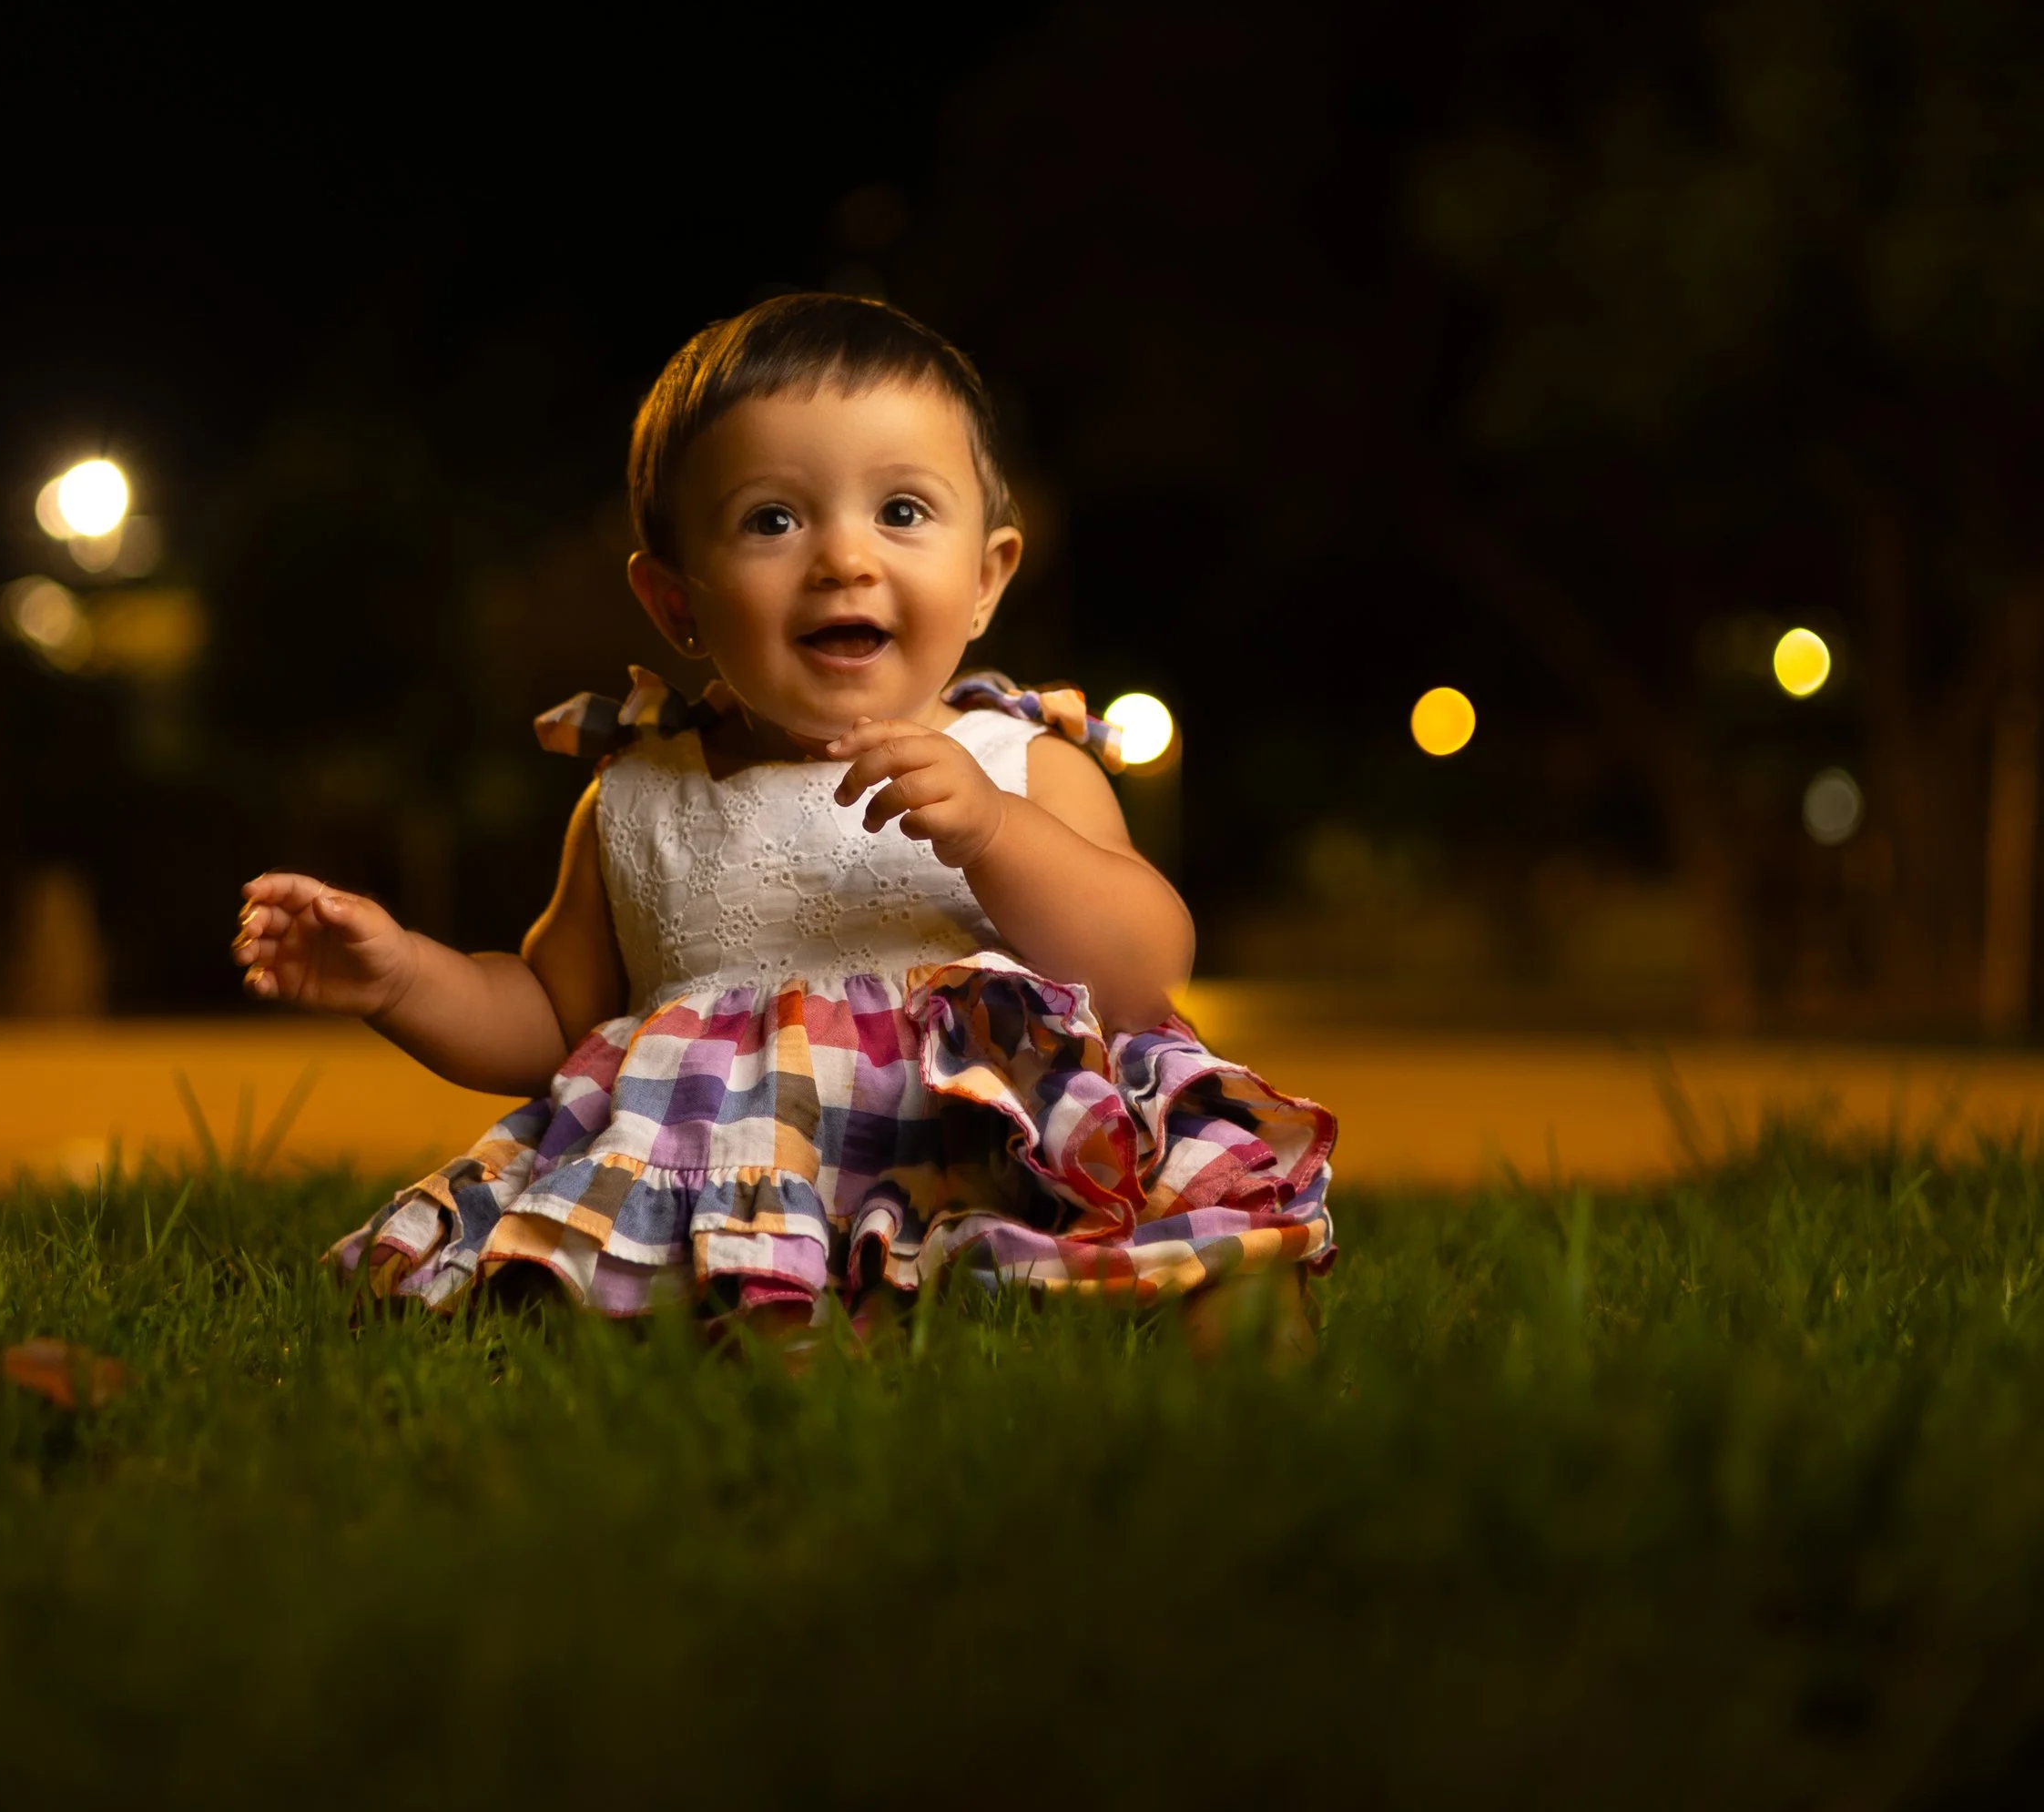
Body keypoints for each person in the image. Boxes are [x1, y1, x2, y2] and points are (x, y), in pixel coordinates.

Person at [234, 296, 1335, 1331]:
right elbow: (546, 1020)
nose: (844, 559)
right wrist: (404, 976)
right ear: (677, 603)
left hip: (989, 1163)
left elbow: (1143, 968)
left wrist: (999, 837)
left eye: (901, 511)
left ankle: (1219, 1388)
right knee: (682, 1320)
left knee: (1214, 1263)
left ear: (988, 576)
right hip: (738, 1190)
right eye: (772, 520)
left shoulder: (1019, 766)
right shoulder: (639, 797)